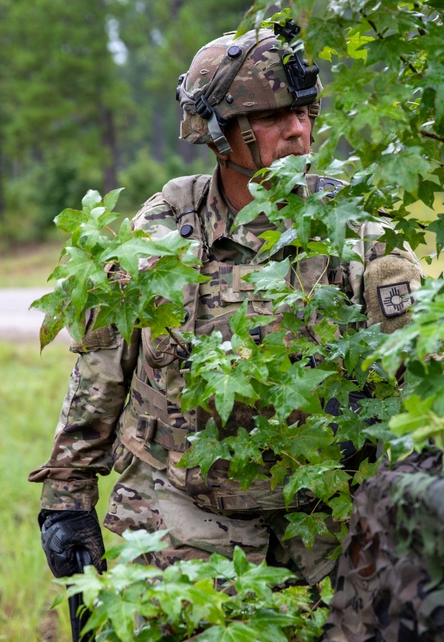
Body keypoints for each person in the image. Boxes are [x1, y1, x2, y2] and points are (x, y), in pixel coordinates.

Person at [29, 25, 423, 588]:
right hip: (185, 516)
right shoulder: (162, 229)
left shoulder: (357, 234)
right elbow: (101, 368)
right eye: (271, 117)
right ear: (218, 133)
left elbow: (415, 386)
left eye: (305, 111)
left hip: (324, 525)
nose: (297, 130)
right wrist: (66, 497)